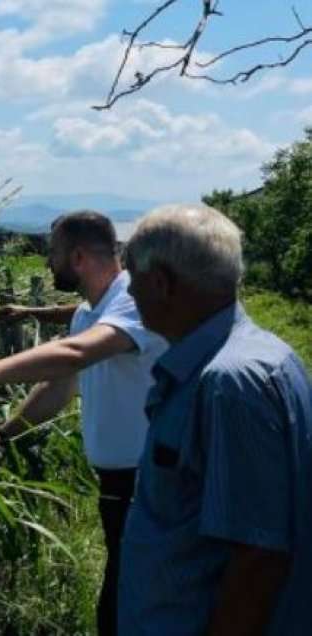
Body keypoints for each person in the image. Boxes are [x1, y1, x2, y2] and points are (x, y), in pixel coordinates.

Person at [0, 211, 166, 636]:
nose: (46, 263)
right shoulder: (88, 313)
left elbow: (76, 355)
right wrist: (4, 432)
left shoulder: (133, 300)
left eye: (52, 253)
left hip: (153, 483)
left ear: (77, 257)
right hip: (120, 483)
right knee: (125, 599)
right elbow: (60, 385)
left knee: (133, 605)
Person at [119, 204, 312, 635]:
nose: (129, 294)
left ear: (161, 283)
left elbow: (258, 557)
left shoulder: (227, 383)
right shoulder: (267, 354)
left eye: (132, 280)